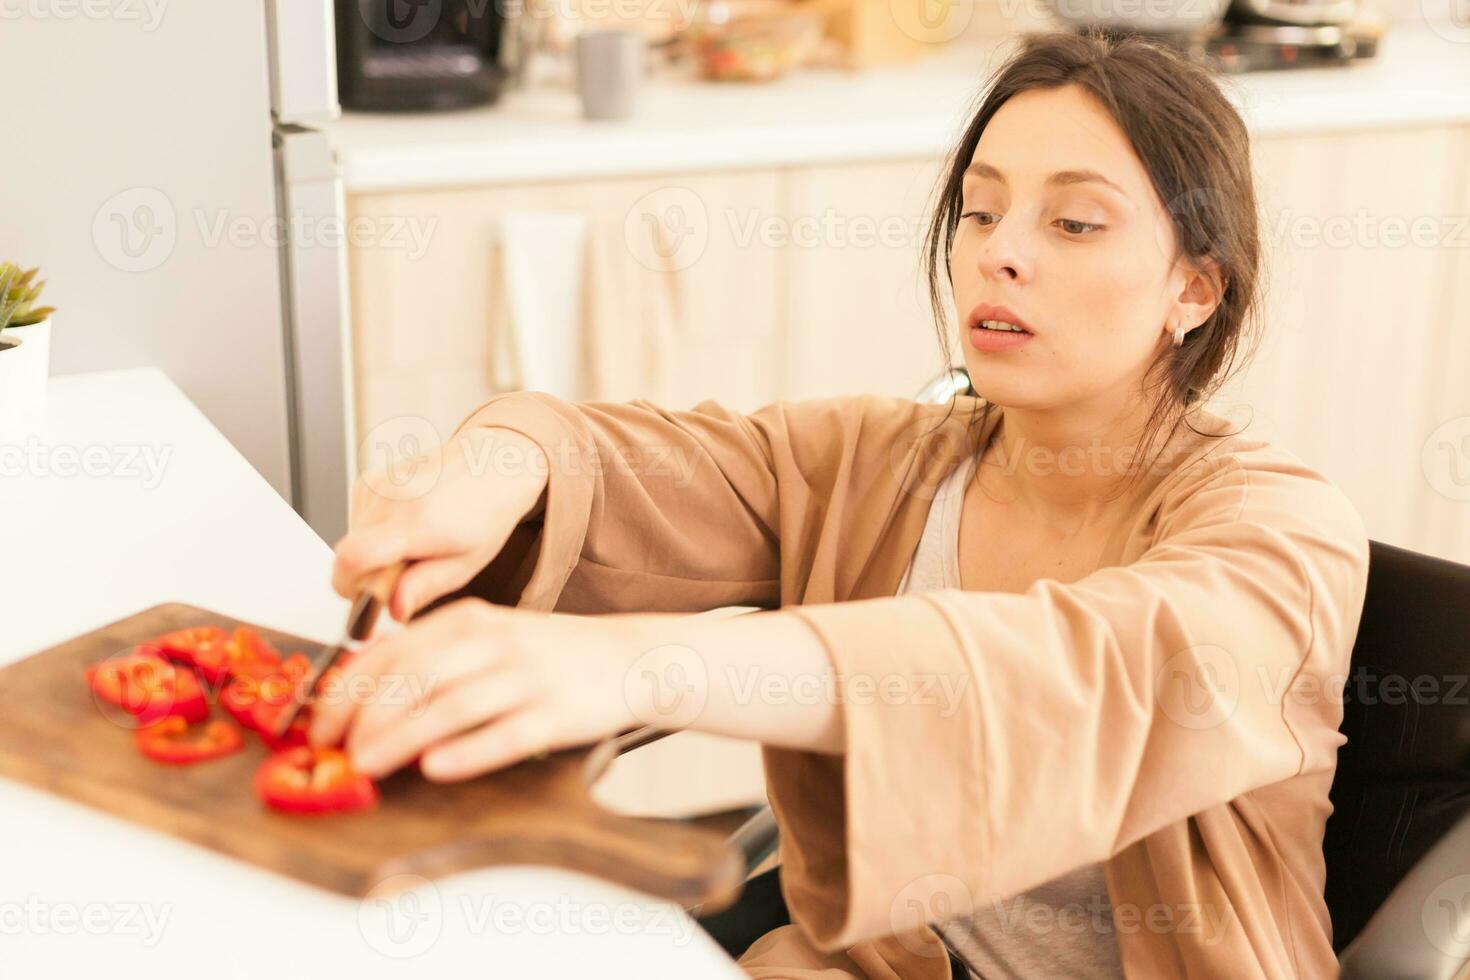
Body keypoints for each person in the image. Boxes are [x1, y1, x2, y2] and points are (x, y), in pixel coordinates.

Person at [310, 29, 1371, 979]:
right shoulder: (885, 461)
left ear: (1196, 287)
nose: (1000, 251)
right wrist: (496, 464)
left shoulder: (1281, 539)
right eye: (984, 208)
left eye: (1077, 223)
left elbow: (1063, 674)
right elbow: (647, 462)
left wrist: (632, 664)